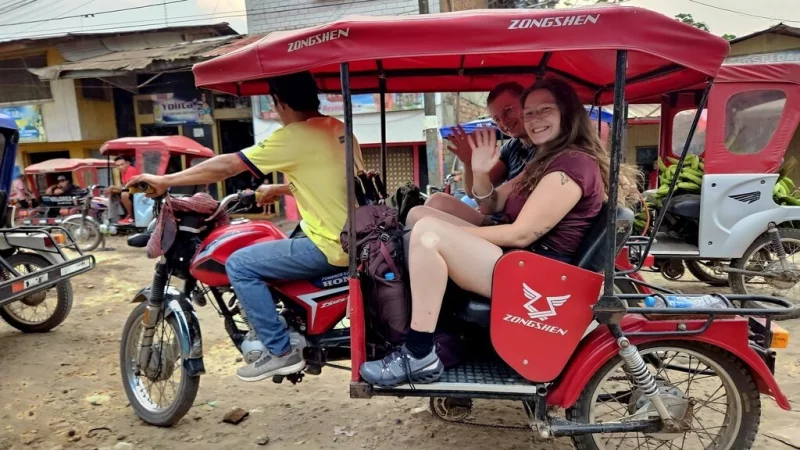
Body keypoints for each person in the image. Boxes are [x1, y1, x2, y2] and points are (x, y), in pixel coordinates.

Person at [359, 79, 638, 387]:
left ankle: (419, 352)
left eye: (545, 110)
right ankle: (442, 328)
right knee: (420, 213)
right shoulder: (545, 158)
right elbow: (491, 203)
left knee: (428, 235)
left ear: (568, 113)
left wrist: (452, 237)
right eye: (529, 113)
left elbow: (521, 235)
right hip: (522, 260)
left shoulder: (571, 165)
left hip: (540, 273)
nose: (533, 120)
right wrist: (478, 171)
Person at [127, 71, 363, 382]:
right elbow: (333, 182)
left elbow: (227, 165)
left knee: (240, 263)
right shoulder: (336, 129)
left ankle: (280, 351)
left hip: (331, 244)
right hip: (352, 234)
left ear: (277, 101)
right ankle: (290, 323)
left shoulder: (295, 136)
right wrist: (278, 190)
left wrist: (164, 180)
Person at [409, 82, 536, 227]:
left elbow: (488, 205)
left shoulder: (549, 152)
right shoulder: (512, 146)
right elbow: (474, 193)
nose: (504, 123)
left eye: (508, 111)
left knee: (419, 217)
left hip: (510, 229)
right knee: (436, 201)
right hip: (498, 221)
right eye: (497, 119)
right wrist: (469, 163)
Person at [106, 156, 141, 225]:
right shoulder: (123, 172)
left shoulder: (130, 169)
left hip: (139, 190)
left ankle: (131, 217)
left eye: (122, 164)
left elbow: (127, 187)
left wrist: (113, 187)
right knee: (113, 192)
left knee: (124, 194)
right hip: (132, 190)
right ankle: (118, 215)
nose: (120, 167)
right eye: (118, 165)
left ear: (128, 163)